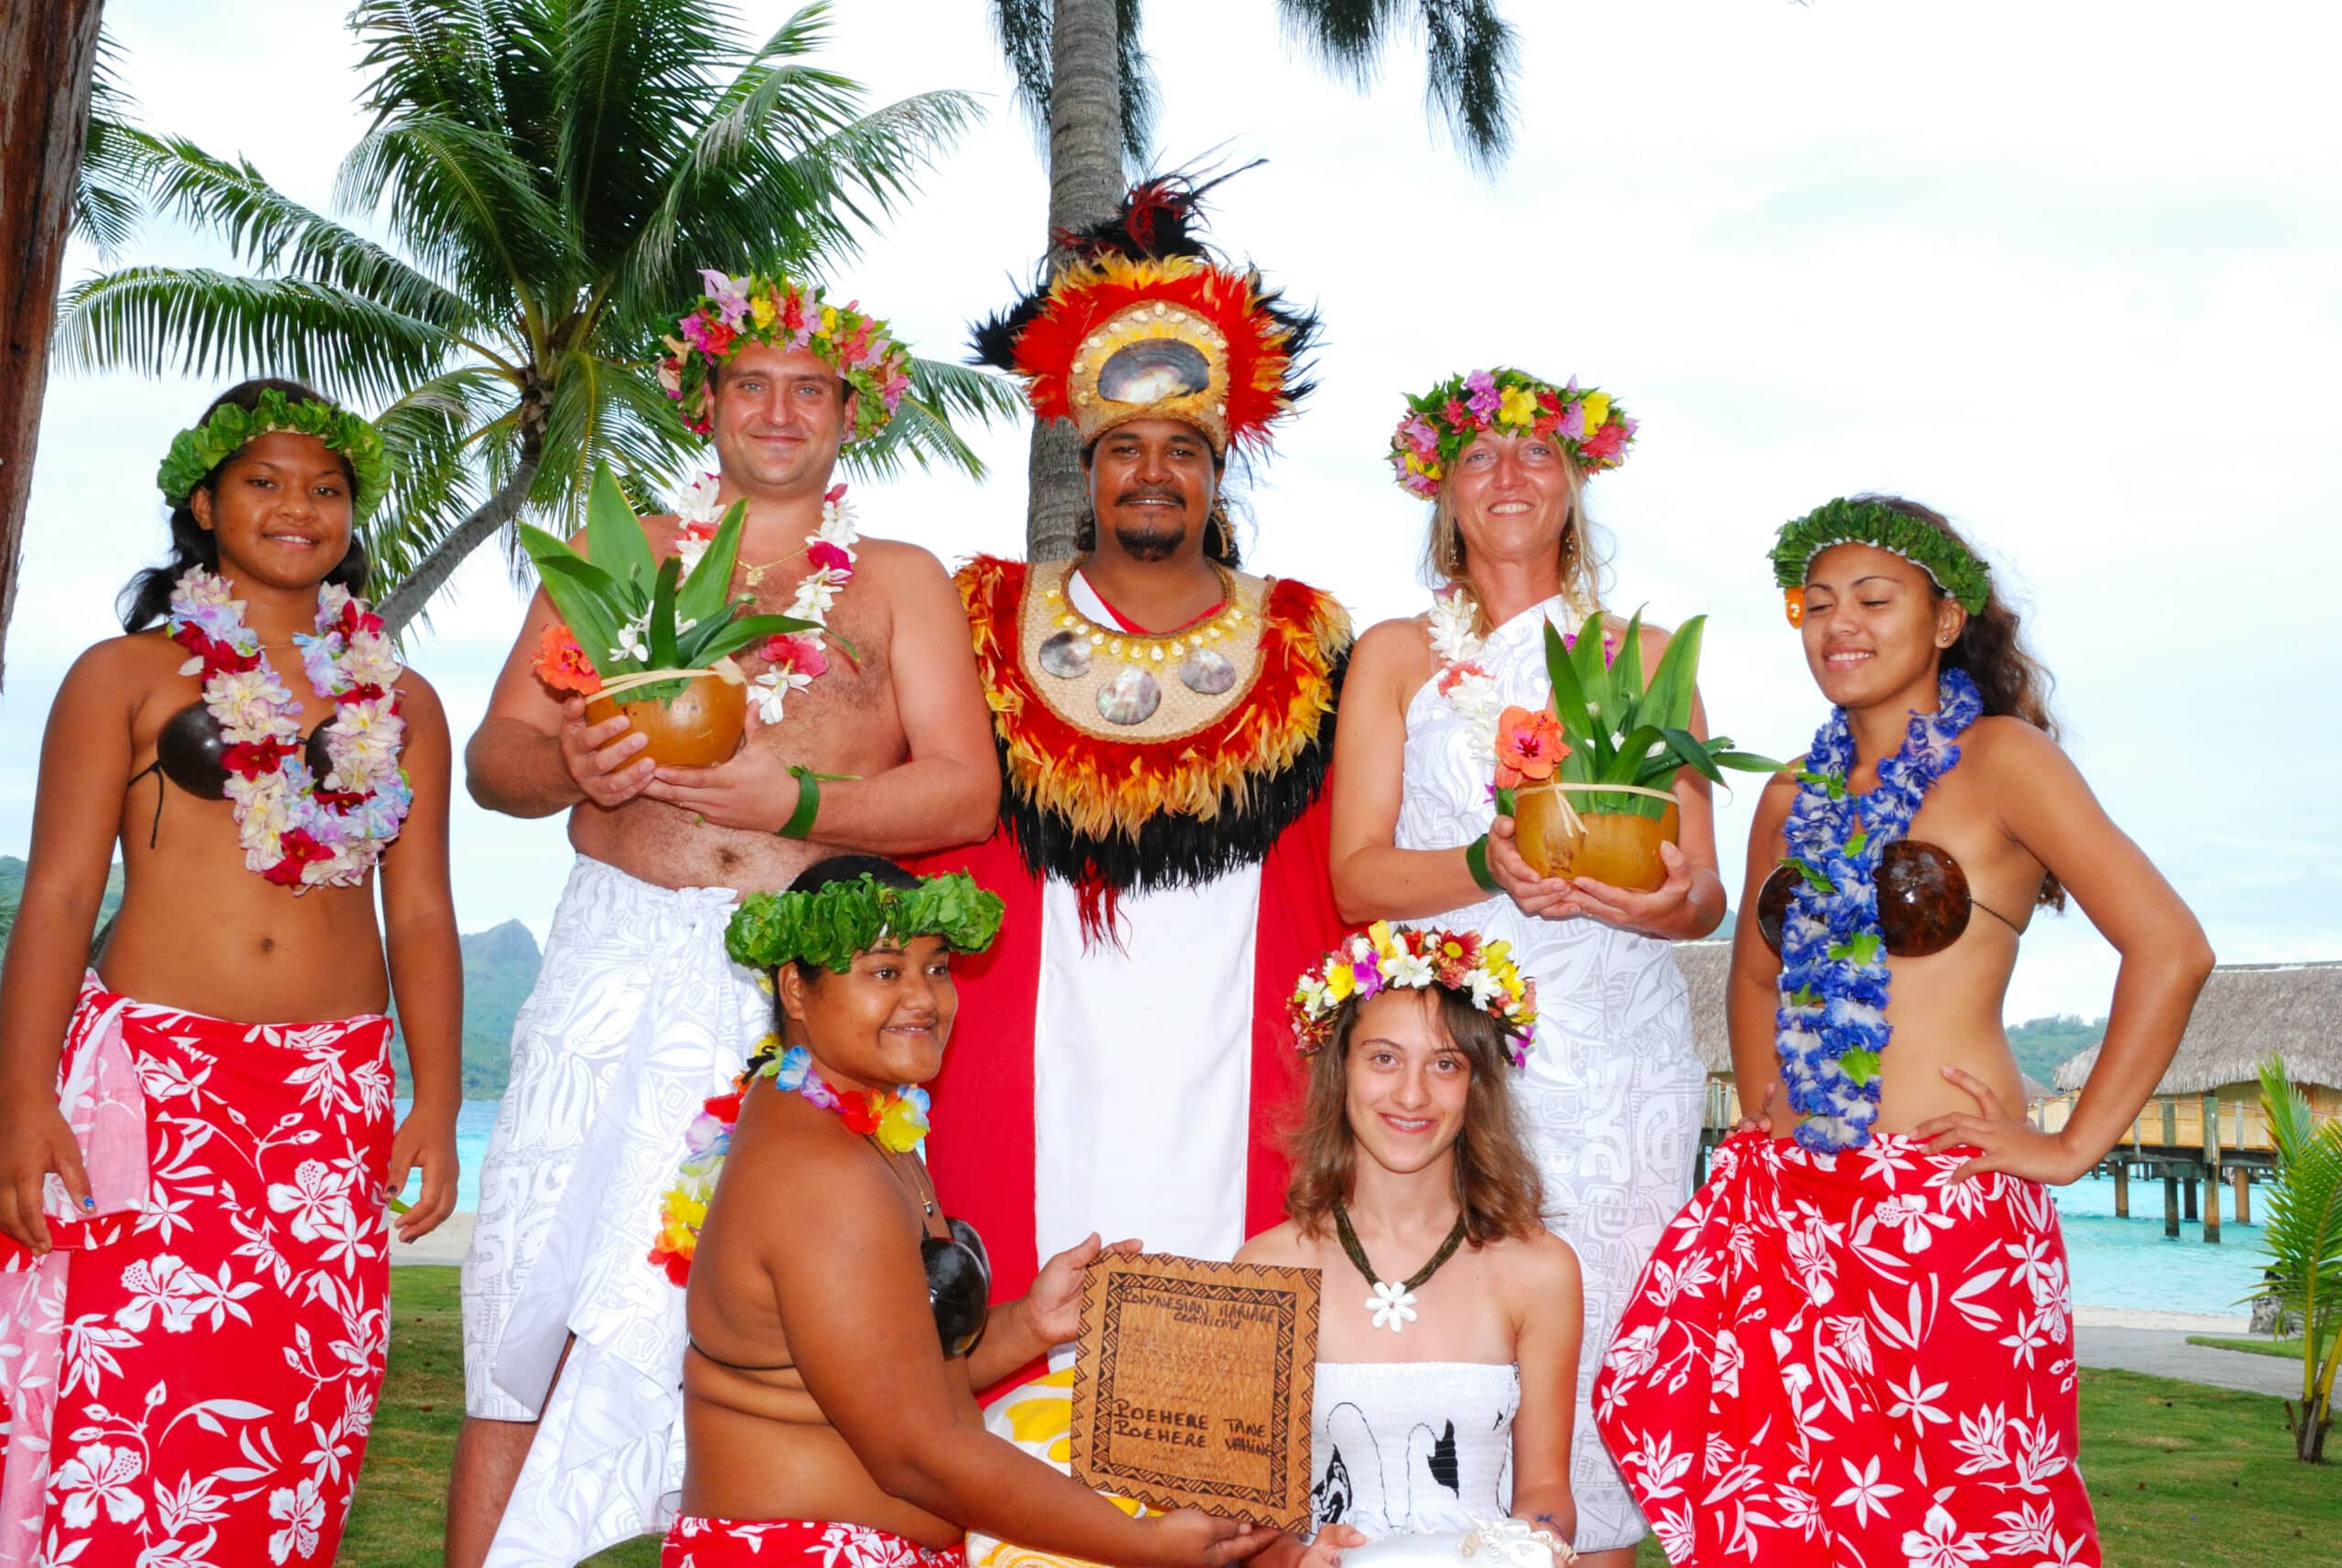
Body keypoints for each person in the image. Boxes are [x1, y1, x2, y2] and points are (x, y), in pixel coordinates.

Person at [454, 274, 1000, 1566]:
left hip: (785, 982)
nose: (778, 409)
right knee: (527, 1303)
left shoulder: (899, 581)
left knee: (719, 1319)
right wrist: (574, 772)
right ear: (705, 400)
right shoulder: (624, 551)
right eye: (751, 382)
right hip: (611, 943)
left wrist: (791, 792)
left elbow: (967, 790)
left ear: (847, 415)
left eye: (810, 388)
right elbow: (494, 760)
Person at [1593, 496, 2214, 1565]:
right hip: (1793, 1208)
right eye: (1816, 602)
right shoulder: (1788, 797)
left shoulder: (2002, 759)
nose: (1839, 622)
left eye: (1874, 598)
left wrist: (2072, 1148)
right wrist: (1764, 1111)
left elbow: (2170, 947)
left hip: (1948, 1217)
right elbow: (1753, 967)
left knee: (1969, 1519)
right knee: (1777, 1500)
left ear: (1942, 618)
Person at [0, 379, 461, 1568]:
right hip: (156, 1081)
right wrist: (21, 1098)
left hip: (329, 1097)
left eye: (327, 486)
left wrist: (441, 1102)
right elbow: (58, 894)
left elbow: (420, 914)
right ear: (204, 502)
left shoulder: (400, 702)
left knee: (295, 1405)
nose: (298, 504)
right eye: (264, 480)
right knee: (127, 1392)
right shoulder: (124, 675)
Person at [919, 179, 1351, 1317]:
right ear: (1088, 467)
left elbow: (1354, 856)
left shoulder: (1306, 640)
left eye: (1180, 448)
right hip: (1034, 1044)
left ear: (1215, 475)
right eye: (1124, 449)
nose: (1152, 472)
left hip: (1236, 1046)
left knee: (1226, 1318)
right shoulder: (980, 619)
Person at [1327, 370, 1715, 1564]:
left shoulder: (1645, 651)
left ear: (1574, 485)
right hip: (1451, 1067)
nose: (1510, 474)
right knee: (1456, 1352)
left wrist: (1651, 898)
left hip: (1620, 1066)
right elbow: (1357, 878)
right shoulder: (1395, 655)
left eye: (1538, 454)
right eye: (1482, 454)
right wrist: (1487, 864)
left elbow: (1704, 890)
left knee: (1599, 1363)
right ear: (1441, 487)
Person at [654, 854, 1278, 1568]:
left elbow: (885, 1379)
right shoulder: (819, 1172)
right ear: (796, 988)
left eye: (938, 968)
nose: (925, 998)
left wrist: (1028, 1326)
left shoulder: (858, 1121)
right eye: (886, 972)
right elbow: (914, 1454)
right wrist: (1142, 1546)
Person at [1241, 924, 1582, 1565]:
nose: (1412, 1094)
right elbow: (1248, 1520)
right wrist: (1293, 1557)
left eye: (1445, 1064)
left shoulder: (1540, 1269)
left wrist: (1533, 1547)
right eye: (1384, 1058)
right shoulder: (1266, 1269)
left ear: (1477, 1086)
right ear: (1340, 1071)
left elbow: (1543, 1489)